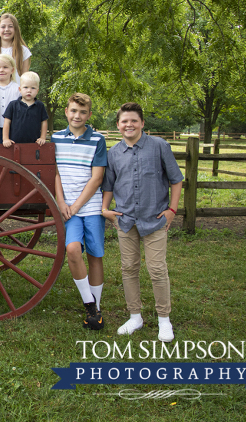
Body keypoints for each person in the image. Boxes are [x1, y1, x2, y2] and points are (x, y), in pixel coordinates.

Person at [102, 102, 183, 343]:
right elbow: (109, 185)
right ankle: (135, 316)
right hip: (125, 220)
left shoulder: (159, 146)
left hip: (155, 218)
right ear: (118, 125)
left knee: (157, 269)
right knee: (129, 268)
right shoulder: (113, 153)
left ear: (142, 123)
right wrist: (106, 209)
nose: (129, 125)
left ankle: (163, 319)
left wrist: (172, 210)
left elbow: (176, 180)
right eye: (124, 121)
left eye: (133, 121)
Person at [51, 93, 107, 330]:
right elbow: (54, 172)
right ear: (66, 111)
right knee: (72, 249)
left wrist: (76, 206)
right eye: (73, 111)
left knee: (95, 255)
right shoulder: (55, 138)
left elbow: (97, 179)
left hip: (91, 205)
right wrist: (61, 202)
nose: (77, 116)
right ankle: (89, 304)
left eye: (83, 112)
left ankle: (97, 308)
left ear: (89, 115)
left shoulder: (97, 139)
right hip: (67, 207)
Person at [2, 71, 48, 148]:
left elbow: (44, 122)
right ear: (20, 89)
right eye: (26, 87)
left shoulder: (40, 106)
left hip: (34, 144)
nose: (29, 90)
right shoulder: (13, 105)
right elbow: (7, 122)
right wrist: (5, 139)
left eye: (33, 88)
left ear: (37, 91)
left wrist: (43, 137)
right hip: (14, 144)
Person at [0, 13, 31, 84]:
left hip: (17, 92)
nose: (7, 29)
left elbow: (25, 77)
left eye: (10, 26)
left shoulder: (23, 51)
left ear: (16, 29)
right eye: (3, 27)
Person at [0, 54, 20, 144]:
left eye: (5, 67)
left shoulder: (18, 89)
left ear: (12, 70)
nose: (1, 70)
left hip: (13, 128)